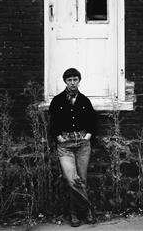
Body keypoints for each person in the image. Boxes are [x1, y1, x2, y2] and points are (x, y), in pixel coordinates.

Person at [49, 68, 97, 227]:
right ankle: (86, 210)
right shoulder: (57, 101)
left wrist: (89, 134)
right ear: (65, 82)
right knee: (72, 180)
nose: (72, 83)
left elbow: (92, 120)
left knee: (82, 179)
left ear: (79, 81)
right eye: (69, 80)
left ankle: (76, 214)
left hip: (83, 144)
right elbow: (53, 122)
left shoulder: (84, 100)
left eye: (75, 79)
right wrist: (58, 137)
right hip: (65, 146)